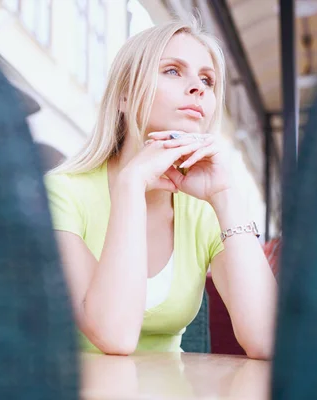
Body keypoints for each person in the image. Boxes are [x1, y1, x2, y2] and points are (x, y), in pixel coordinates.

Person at [44, 19, 277, 359]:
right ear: (124, 96)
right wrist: (131, 186)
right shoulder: (60, 194)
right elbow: (115, 336)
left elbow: (268, 340)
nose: (198, 87)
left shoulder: (204, 208)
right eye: (172, 71)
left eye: (207, 79)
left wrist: (225, 196)